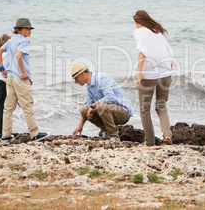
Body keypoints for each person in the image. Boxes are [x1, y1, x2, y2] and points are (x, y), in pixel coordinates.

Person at [0, 18, 48, 142]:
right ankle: (34, 134)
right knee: (27, 105)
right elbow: (18, 55)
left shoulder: (11, 40)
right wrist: (23, 72)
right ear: (19, 30)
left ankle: (6, 135)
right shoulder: (24, 41)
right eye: (27, 28)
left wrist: (2, 68)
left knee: (8, 108)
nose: (30, 31)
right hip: (20, 78)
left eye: (30, 28)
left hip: (10, 78)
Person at [132, 10, 174, 146]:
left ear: (138, 22)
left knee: (144, 110)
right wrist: (169, 72)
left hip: (149, 75)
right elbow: (170, 53)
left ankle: (149, 143)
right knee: (161, 107)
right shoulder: (158, 32)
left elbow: (142, 54)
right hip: (165, 75)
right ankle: (167, 135)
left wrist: (139, 75)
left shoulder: (139, 32)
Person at [71, 63, 133, 141]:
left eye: (76, 78)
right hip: (108, 111)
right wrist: (80, 125)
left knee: (100, 107)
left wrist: (93, 105)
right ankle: (106, 130)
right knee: (84, 110)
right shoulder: (89, 85)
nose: (75, 81)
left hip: (123, 113)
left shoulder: (101, 78)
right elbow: (88, 105)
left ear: (82, 74)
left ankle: (114, 136)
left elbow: (110, 97)